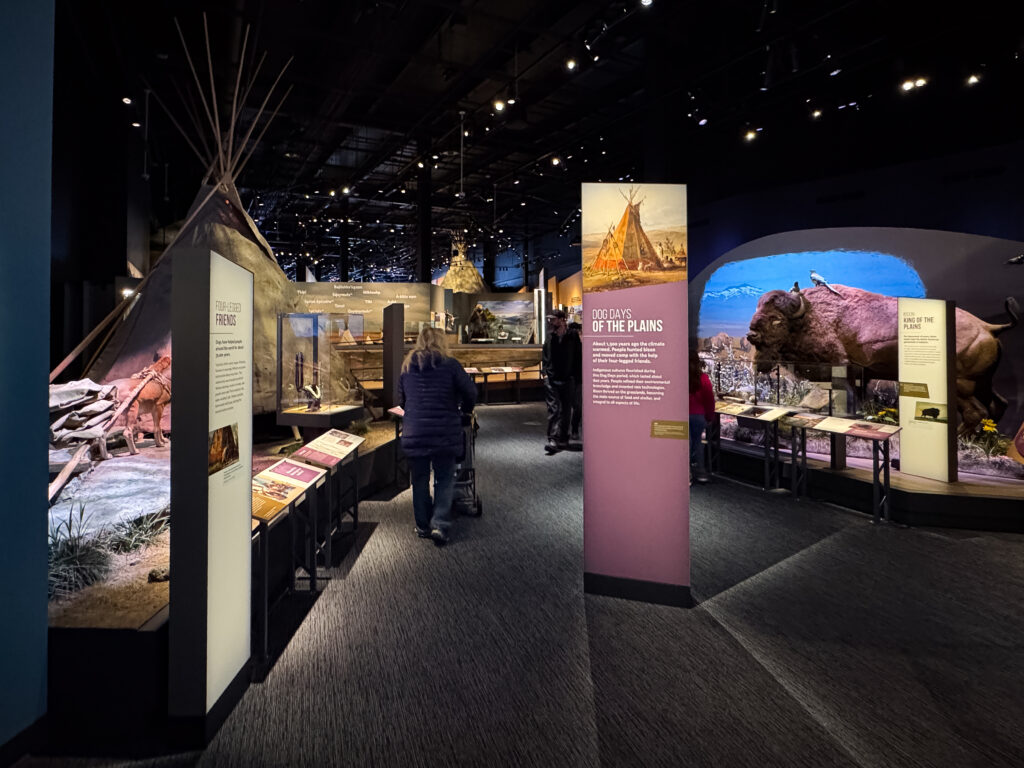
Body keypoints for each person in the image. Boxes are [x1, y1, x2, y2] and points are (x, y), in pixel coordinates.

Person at [399, 327, 476, 545]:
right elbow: (471, 392)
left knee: (419, 480)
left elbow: (401, 400)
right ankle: (439, 524)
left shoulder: (407, 366)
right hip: (444, 432)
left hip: (415, 433)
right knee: (444, 479)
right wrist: (465, 410)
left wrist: (415, 412)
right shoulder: (450, 365)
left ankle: (422, 525)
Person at [542, 309, 582, 453]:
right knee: (554, 409)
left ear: (562, 320)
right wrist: (545, 374)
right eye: (550, 319)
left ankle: (563, 438)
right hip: (551, 379)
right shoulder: (550, 336)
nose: (551, 321)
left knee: (566, 411)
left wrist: (577, 378)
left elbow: (578, 357)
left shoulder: (572, 336)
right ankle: (553, 439)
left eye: (553, 319)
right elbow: (545, 355)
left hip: (568, 379)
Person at [689, 348, 715, 484]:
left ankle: (686, 473)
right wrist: (710, 417)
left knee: (686, 444)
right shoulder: (703, 378)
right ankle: (701, 472)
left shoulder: (680, 377)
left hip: (683, 416)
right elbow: (709, 400)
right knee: (698, 443)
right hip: (699, 417)